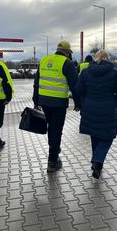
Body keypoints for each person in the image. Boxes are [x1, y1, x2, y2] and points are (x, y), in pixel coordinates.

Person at [75, 50, 117, 179]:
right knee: (108, 136)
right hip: (107, 108)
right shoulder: (114, 73)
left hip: (89, 108)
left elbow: (78, 90)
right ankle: (97, 161)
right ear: (107, 59)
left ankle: (97, 162)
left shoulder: (85, 72)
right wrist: (115, 103)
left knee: (95, 135)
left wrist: (84, 103)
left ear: (95, 58)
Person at [33, 40, 80, 172]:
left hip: (44, 101)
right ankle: (53, 161)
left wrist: (36, 101)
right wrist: (78, 103)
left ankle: (54, 147)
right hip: (58, 103)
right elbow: (74, 86)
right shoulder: (67, 63)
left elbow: (36, 82)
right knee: (55, 130)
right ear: (67, 52)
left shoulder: (43, 60)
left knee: (51, 128)